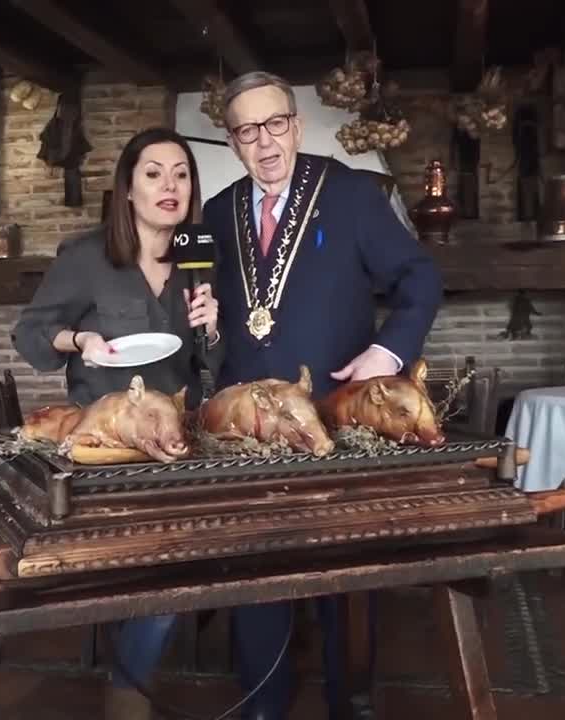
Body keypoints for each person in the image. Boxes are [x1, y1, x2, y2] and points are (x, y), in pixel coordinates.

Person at [202, 71, 445, 719]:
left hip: (336, 419)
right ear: (233, 142)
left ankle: (350, 700)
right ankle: (262, 701)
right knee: (257, 571)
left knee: (343, 575)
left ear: (297, 124)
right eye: (248, 131)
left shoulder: (352, 195)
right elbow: (195, 298)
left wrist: (387, 354)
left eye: (275, 123)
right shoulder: (215, 212)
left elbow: (420, 277)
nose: (265, 142)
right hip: (248, 431)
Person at [10, 127, 223, 720]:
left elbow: (210, 365)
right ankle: (128, 694)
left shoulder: (199, 248)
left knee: (174, 563)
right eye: (153, 173)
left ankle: (125, 686)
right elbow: (29, 332)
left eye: (180, 173)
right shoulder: (85, 256)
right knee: (152, 570)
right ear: (128, 188)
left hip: (177, 443)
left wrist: (211, 326)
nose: (169, 186)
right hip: (102, 450)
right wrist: (80, 339)